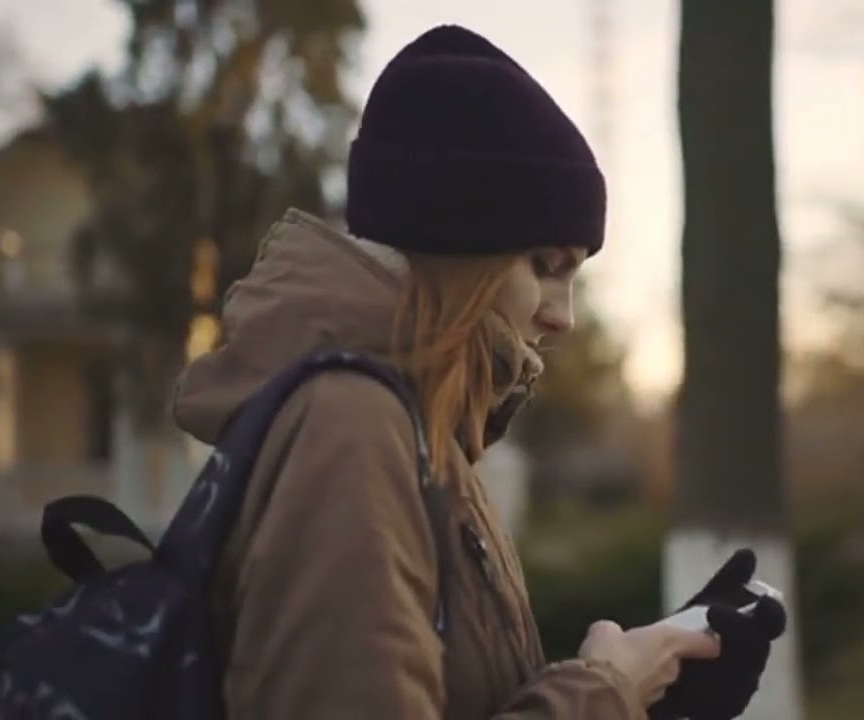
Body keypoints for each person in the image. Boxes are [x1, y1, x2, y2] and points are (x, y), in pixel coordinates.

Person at [171, 24, 782, 719]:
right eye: (546, 267)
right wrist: (604, 691)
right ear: (456, 248)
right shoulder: (350, 428)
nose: (564, 317)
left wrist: (650, 694)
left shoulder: (417, 431)